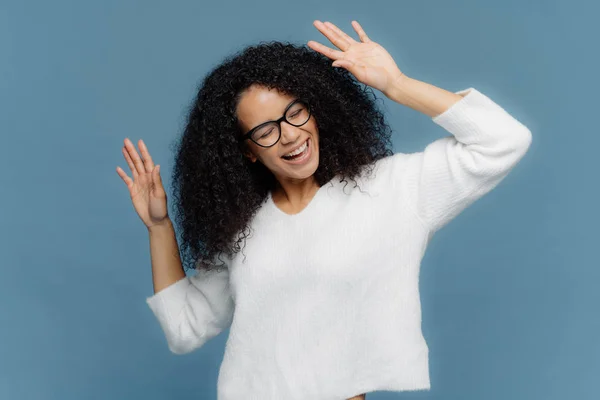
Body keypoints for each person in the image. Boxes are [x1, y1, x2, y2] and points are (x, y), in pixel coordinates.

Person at [116, 19, 532, 400]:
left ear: (317, 109)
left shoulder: (392, 190)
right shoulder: (245, 230)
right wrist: (159, 226)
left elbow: (503, 140)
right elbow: (184, 329)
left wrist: (397, 84)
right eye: (265, 130)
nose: (290, 135)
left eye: (295, 112)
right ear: (247, 152)